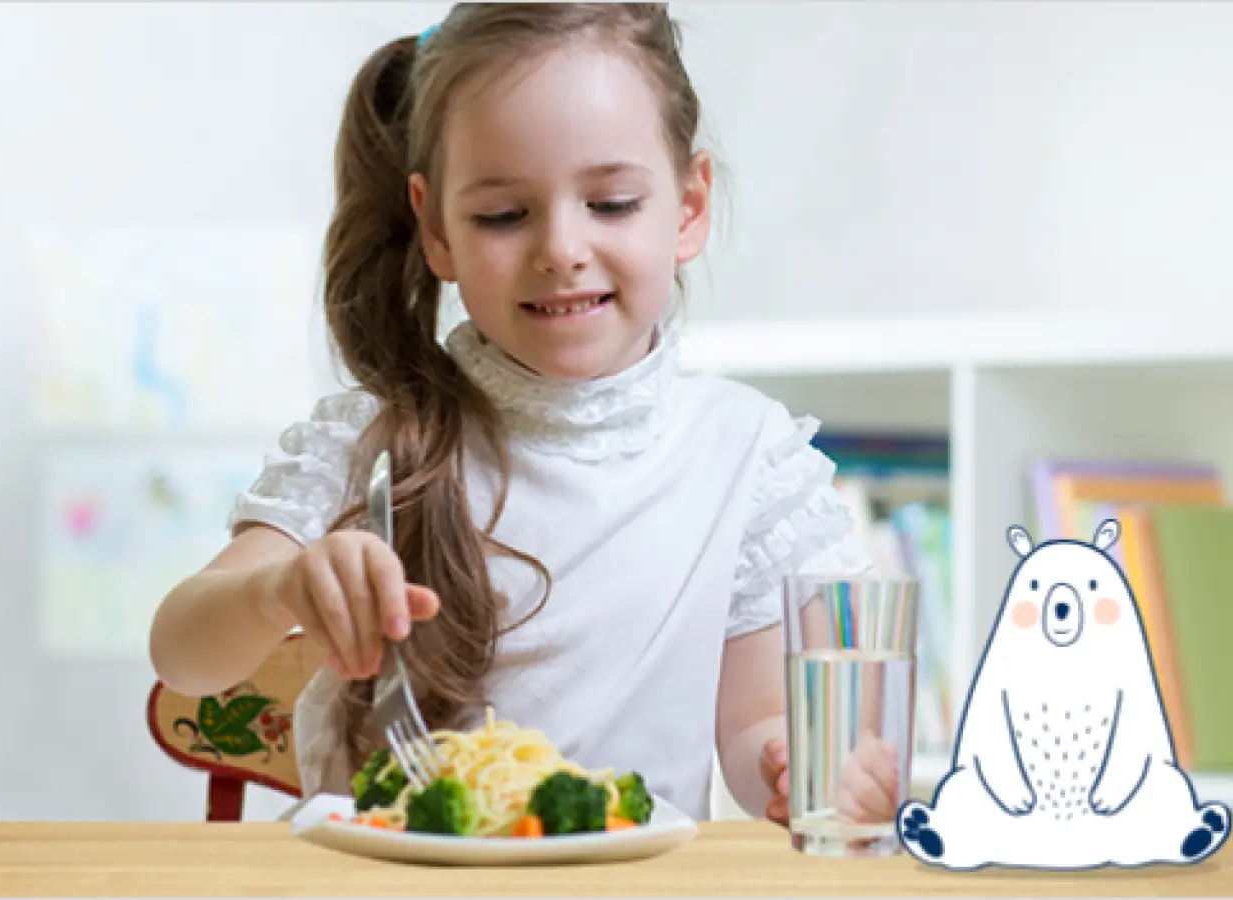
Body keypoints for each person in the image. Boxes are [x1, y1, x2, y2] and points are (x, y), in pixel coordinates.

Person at [149, 2, 897, 826]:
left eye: (611, 203)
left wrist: (797, 773)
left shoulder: (744, 454)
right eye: (503, 215)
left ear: (687, 207)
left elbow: (756, 730)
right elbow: (183, 654)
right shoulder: (373, 437)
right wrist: (278, 591)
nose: (561, 249)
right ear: (435, 228)